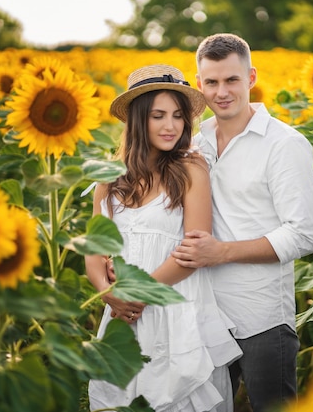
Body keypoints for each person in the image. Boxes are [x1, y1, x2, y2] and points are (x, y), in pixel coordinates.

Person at [172, 34, 313, 412]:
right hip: (204, 315)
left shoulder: (284, 144)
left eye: (231, 80)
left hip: (262, 321)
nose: (221, 92)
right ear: (199, 84)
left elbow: (302, 235)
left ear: (251, 78)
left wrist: (220, 252)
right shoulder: (195, 143)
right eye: (211, 82)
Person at [85, 64, 242, 412]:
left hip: (174, 308)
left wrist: (139, 291)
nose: (171, 126)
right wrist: (107, 293)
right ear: (139, 120)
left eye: (177, 116)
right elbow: (95, 249)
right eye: (158, 116)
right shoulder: (108, 179)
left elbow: (193, 249)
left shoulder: (190, 169)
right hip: (123, 315)